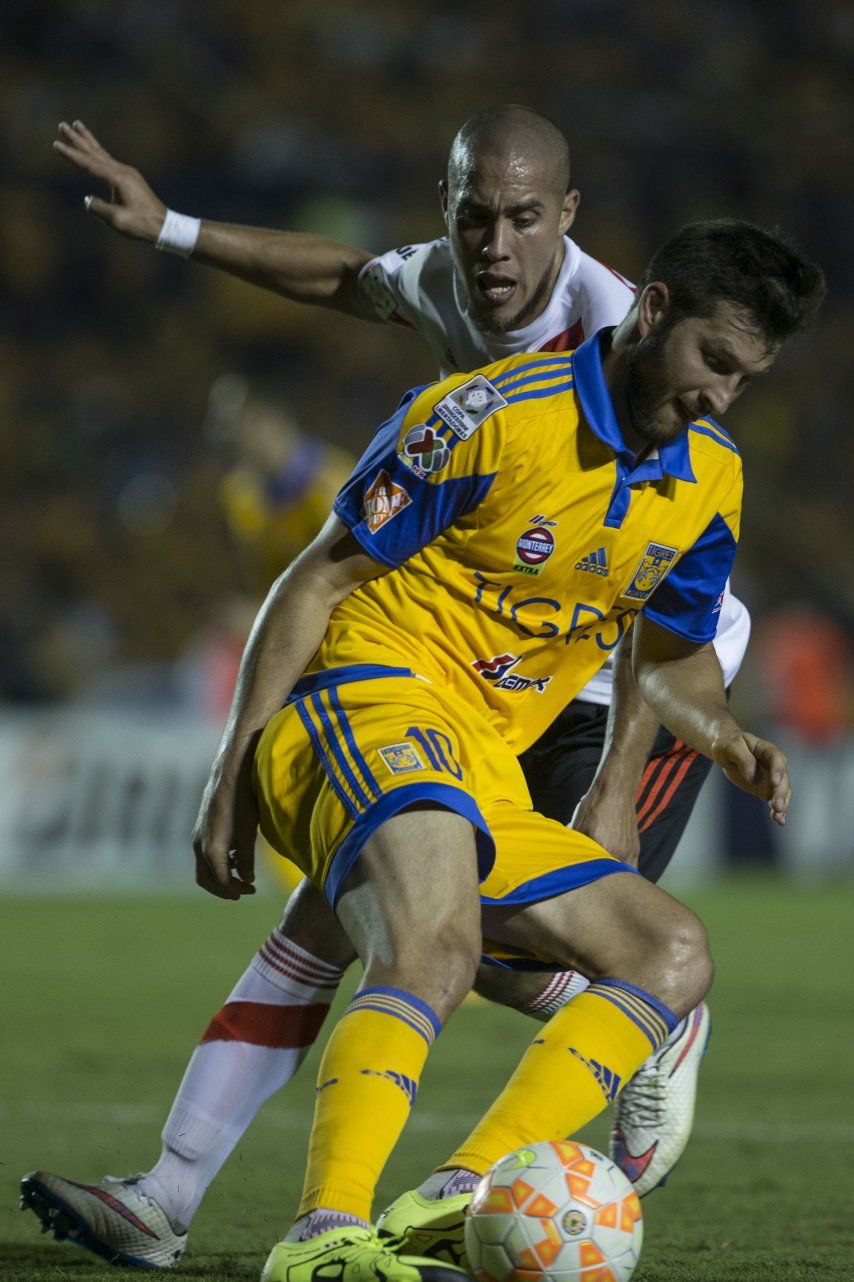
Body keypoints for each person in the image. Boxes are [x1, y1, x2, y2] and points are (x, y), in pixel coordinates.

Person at [20, 111, 760, 1269]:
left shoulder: (640, 338)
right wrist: (169, 227)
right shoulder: (462, 302)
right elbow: (343, 279)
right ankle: (206, 1198)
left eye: (523, 220)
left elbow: (664, 624)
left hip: (607, 674)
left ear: (568, 223)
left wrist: (625, 777)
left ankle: (545, 1096)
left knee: (474, 930)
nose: (495, 247)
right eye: (474, 218)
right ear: (448, 210)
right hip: (447, 665)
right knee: (377, 908)